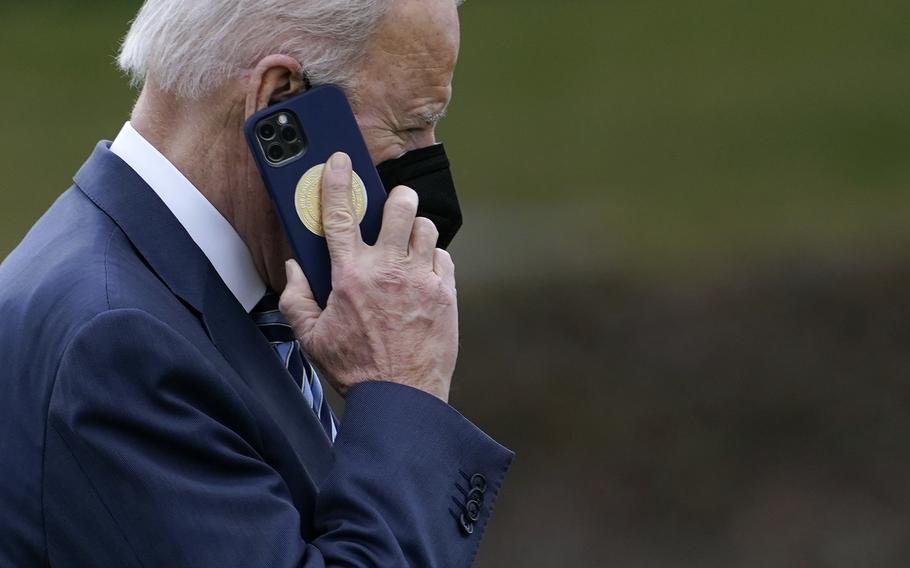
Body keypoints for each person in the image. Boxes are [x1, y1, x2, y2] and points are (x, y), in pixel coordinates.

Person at [0, 0, 513, 566]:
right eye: (411, 125)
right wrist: (404, 387)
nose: (425, 171)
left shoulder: (166, 292)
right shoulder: (119, 344)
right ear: (280, 99)